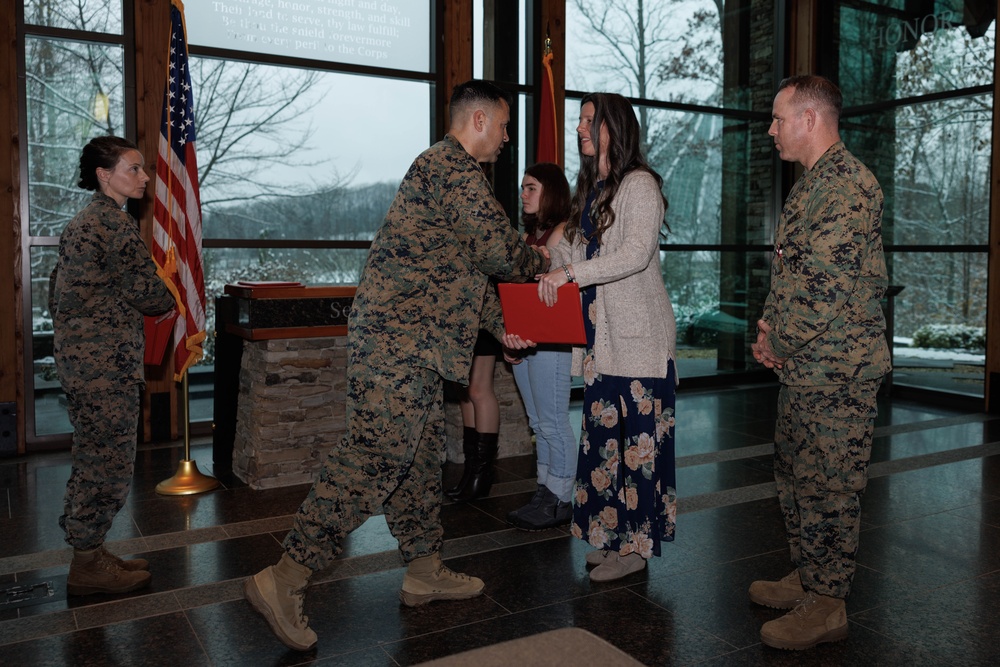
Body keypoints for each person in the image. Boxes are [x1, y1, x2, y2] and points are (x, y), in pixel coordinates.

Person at [244, 80, 549, 652]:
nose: (507, 138)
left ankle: (424, 567)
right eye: (505, 126)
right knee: (378, 455)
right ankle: (283, 578)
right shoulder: (449, 167)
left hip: (417, 344)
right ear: (478, 120)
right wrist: (548, 261)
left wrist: (501, 325)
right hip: (398, 344)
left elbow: (464, 272)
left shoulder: (451, 175)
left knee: (417, 457)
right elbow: (499, 251)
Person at [504, 93, 677, 582]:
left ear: (611, 128)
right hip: (601, 345)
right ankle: (608, 538)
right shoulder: (592, 192)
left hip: (640, 344)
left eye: (587, 120)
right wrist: (538, 273)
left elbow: (635, 255)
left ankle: (635, 549)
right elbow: (567, 262)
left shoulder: (639, 185)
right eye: (578, 120)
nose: (578, 128)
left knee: (638, 449)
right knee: (605, 447)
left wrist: (570, 273)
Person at [749, 75, 890, 651]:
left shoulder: (849, 186)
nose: (772, 129)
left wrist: (778, 341)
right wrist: (767, 330)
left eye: (780, 119)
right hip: (805, 365)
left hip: (839, 371)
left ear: (810, 119)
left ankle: (828, 604)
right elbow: (792, 275)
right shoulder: (813, 185)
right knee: (796, 474)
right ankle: (809, 575)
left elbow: (825, 289)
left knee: (830, 485)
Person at [49, 135, 176, 596]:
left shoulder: (88, 221)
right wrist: (172, 291)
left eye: (142, 169)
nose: (143, 177)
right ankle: (86, 564)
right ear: (105, 176)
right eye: (133, 169)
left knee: (94, 456)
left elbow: (58, 291)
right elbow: (149, 293)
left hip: (86, 360)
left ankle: (91, 549)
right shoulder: (110, 225)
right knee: (106, 463)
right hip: (104, 365)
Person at [505, 162, 577, 530]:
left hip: (550, 339)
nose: (524, 194)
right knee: (538, 422)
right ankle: (545, 491)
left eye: (531, 187)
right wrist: (509, 337)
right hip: (527, 339)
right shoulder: (530, 234)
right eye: (523, 187)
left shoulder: (562, 232)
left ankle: (561, 499)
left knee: (552, 422)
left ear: (551, 191)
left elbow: (552, 282)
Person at [445, 327, 502, 502]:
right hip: (457, 314)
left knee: (479, 389)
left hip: (481, 316)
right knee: (463, 389)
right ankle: (471, 470)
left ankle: (481, 473)